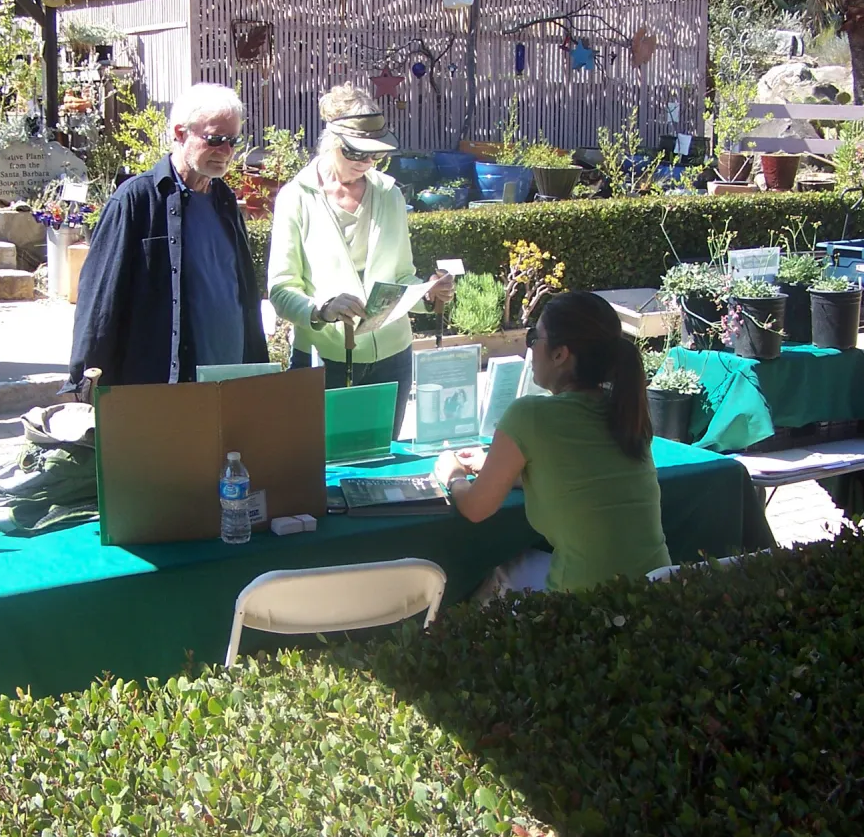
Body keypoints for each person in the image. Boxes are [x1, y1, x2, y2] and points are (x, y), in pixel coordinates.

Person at [434, 291, 671, 594]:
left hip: (583, 606)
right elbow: (577, 476)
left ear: (560, 354)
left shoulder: (530, 415)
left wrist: (452, 473)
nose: (530, 347)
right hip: (657, 595)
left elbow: (476, 508)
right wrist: (497, 469)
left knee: (495, 569)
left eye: (534, 337)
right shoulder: (627, 411)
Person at [267, 83, 453, 437]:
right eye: (357, 153)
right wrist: (321, 309)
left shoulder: (390, 194)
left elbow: (402, 276)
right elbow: (280, 288)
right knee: (321, 470)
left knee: (384, 464)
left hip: (393, 356)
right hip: (323, 357)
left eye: (374, 155)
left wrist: (428, 294)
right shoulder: (296, 198)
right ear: (332, 142)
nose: (366, 163)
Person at [69, 83, 267, 388]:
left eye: (232, 141)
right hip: (165, 384)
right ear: (180, 133)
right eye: (215, 139)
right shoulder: (137, 200)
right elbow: (99, 304)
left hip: (230, 381)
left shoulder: (224, 201)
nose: (226, 152)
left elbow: (244, 298)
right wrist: (82, 385)